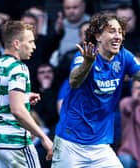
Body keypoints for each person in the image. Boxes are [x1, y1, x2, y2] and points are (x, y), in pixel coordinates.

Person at [51, 11, 140, 168]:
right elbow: (73, 81)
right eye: (112, 31)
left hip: (100, 146)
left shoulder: (124, 56)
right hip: (70, 143)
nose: (118, 36)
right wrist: (88, 63)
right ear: (98, 36)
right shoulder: (85, 56)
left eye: (120, 32)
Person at [0, 20, 53, 168]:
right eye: (30, 42)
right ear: (17, 44)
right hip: (15, 142)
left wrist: (23, 97)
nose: (34, 46)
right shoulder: (18, 68)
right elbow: (17, 110)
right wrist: (43, 137)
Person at [117, 77, 140, 168]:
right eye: (137, 88)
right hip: (128, 152)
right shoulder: (126, 103)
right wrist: (135, 99)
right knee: (125, 160)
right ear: (132, 89)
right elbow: (127, 108)